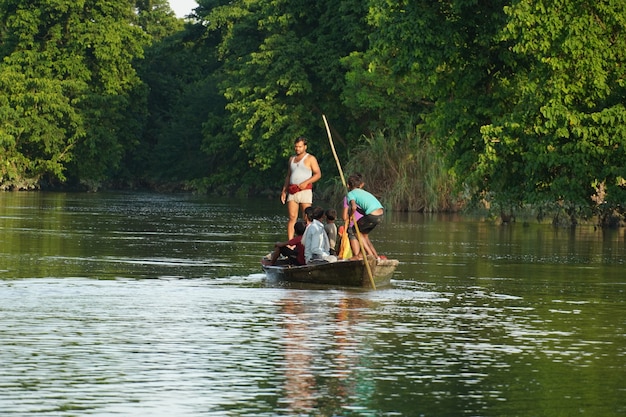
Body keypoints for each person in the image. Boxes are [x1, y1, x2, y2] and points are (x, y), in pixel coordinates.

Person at [280, 137, 322, 240]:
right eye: (296, 146)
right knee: (292, 217)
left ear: (305, 147)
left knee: (307, 217)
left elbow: (318, 174)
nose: (297, 149)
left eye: (300, 146)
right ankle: (290, 241)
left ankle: (306, 240)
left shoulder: (310, 158)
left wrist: (306, 182)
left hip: (305, 191)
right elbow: (288, 176)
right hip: (293, 191)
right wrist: (284, 191)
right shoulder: (292, 159)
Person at [346, 173, 384, 260]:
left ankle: (369, 254)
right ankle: (374, 256)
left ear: (348, 186)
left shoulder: (350, 194)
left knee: (355, 230)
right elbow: (362, 209)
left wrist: (351, 215)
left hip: (372, 214)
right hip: (380, 214)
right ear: (360, 185)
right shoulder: (363, 192)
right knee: (364, 235)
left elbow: (354, 207)